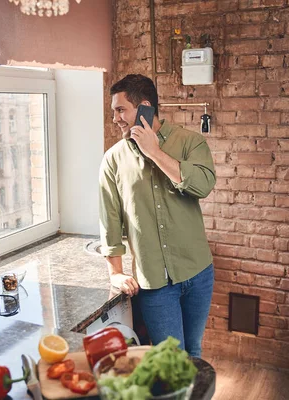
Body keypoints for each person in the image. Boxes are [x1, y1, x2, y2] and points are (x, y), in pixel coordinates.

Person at [98, 74, 216, 357]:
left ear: (145, 107)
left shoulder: (190, 142)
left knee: (194, 354)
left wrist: (154, 152)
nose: (115, 118)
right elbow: (109, 220)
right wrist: (114, 272)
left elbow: (203, 185)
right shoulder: (113, 159)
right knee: (171, 361)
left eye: (120, 109)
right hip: (154, 283)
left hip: (198, 272)